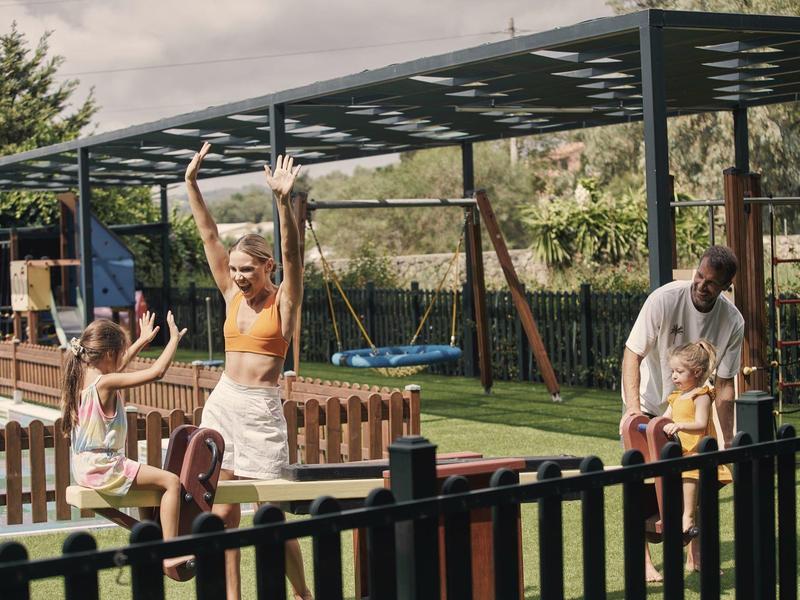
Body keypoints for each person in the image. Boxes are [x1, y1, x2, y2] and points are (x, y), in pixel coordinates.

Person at [185, 142, 312, 600]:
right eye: (235, 270)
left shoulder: (284, 303)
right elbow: (210, 236)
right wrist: (191, 185)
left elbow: (297, 259)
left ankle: (302, 593)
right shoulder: (231, 294)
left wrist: (282, 202)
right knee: (223, 513)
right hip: (222, 402)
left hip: (260, 410)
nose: (238, 277)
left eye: (248, 271)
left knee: (270, 517)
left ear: (267, 267)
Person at [620, 245, 744, 581]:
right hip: (650, 401)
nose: (701, 284)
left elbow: (725, 383)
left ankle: (696, 556)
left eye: (711, 282)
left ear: (725, 287)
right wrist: (634, 411)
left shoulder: (732, 321)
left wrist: (727, 438)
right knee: (643, 481)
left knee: (697, 476)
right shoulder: (664, 299)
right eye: (700, 276)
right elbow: (633, 354)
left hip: (691, 408)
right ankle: (643, 562)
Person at [61, 311, 191, 578]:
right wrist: (174, 340)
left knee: (149, 484)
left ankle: (149, 542)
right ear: (109, 355)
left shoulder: (79, 381)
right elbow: (157, 372)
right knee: (171, 482)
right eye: (120, 353)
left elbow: (116, 369)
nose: (122, 358)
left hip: (85, 466)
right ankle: (169, 552)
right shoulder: (106, 383)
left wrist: (141, 341)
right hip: (104, 466)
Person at [663, 339, 732, 572]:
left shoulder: (701, 395)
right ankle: (678, 516)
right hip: (680, 451)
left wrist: (679, 426)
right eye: (673, 371)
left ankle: (688, 517)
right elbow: (663, 420)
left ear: (697, 372)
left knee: (690, 471)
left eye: (679, 372)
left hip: (697, 452)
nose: (674, 376)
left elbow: (701, 424)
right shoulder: (675, 397)